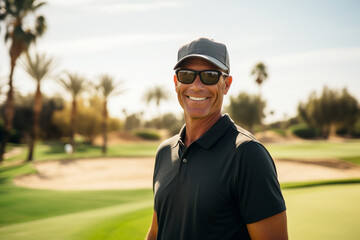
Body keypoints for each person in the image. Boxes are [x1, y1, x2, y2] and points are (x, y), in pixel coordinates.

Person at [146, 37, 288, 240]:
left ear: (226, 84)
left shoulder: (247, 155)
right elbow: (156, 232)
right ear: (176, 82)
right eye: (186, 75)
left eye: (210, 76)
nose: (196, 86)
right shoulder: (164, 152)